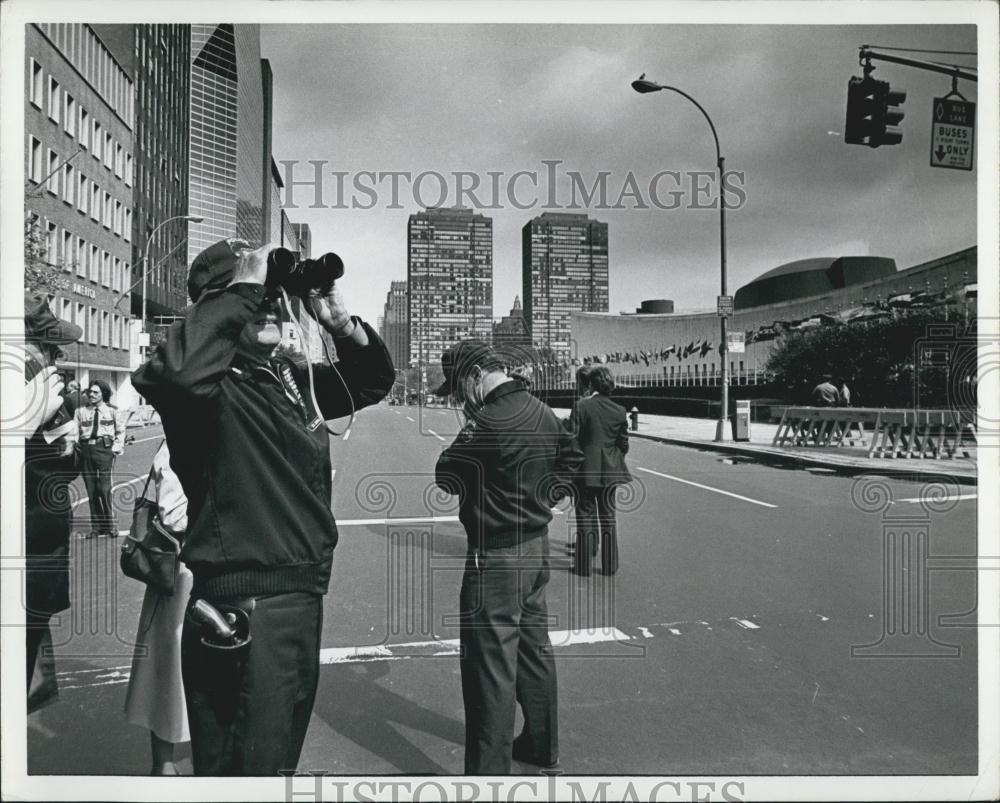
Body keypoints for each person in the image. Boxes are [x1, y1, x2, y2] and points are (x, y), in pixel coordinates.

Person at [132, 238, 394, 776]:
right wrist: (249, 281)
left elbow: (371, 380)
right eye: (257, 298)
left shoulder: (284, 379)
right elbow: (169, 372)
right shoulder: (204, 389)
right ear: (220, 308)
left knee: (275, 770)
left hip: (299, 600)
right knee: (242, 774)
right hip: (245, 609)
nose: (273, 304)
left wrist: (340, 323)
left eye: (276, 297)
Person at [434, 340, 583, 775]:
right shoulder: (539, 409)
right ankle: (542, 744)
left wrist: (469, 425)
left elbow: (446, 474)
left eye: (460, 388)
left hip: (496, 557)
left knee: (490, 668)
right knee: (533, 650)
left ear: (476, 374)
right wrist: (548, 496)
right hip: (536, 546)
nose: (460, 398)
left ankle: (487, 774)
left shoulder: (486, 421)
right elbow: (571, 457)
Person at [23, 293, 82, 712]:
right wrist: (23, 426)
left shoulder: (44, 395)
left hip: (41, 561)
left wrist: (52, 435)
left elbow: (68, 465)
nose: (54, 356)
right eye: (47, 346)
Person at [123, 441, 193, 775]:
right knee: (172, 662)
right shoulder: (183, 434)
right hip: (184, 567)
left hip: (178, 570)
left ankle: (164, 762)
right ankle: (164, 764)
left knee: (166, 663)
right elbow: (174, 514)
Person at [566, 366, 632, 576]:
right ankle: (610, 566)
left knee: (585, 518)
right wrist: (613, 459)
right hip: (610, 472)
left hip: (586, 471)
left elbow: (571, 439)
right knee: (608, 519)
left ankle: (583, 566)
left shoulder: (582, 406)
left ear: (591, 384)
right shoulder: (619, 411)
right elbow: (623, 445)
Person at [74, 379, 125, 537]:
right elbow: (75, 433)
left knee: (104, 489)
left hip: (104, 450)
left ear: (104, 394)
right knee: (91, 490)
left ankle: (110, 525)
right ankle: (97, 527)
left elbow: (120, 431)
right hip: (86, 450)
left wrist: (115, 448)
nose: (92, 394)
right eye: (90, 392)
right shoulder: (80, 411)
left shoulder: (113, 411)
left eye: (96, 392)